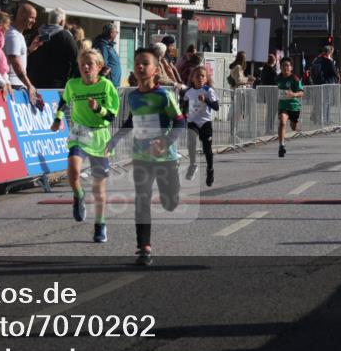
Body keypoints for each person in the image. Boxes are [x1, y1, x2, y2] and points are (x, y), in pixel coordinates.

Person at [107, 48, 185, 266]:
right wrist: (114, 140)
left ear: (155, 70)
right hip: (141, 157)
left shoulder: (164, 96)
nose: (140, 67)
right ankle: (144, 248)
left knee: (169, 203)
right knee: (142, 200)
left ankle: (173, 190)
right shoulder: (132, 96)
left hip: (165, 158)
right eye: (137, 63)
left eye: (145, 64)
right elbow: (132, 121)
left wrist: (165, 141)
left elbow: (180, 122)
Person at [51, 49, 119, 242]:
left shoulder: (106, 87)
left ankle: (100, 225)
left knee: (99, 189)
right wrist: (57, 119)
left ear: (99, 67)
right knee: (73, 172)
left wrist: (98, 108)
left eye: (90, 64)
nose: (86, 67)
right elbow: (64, 102)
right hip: (79, 133)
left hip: (99, 135)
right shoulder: (73, 84)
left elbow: (112, 116)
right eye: (82, 65)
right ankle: (79, 195)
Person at [181, 65, 219, 185]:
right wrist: (183, 114)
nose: (200, 78)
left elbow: (216, 107)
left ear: (206, 78)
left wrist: (206, 100)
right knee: (191, 143)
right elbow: (184, 106)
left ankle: (210, 170)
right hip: (193, 121)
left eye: (203, 76)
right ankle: (193, 165)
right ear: (192, 79)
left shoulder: (208, 91)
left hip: (205, 122)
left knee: (207, 149)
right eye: (197, 76)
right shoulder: (189, 92)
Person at [27, 8, 80, 89]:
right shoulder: (66, 36)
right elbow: (76, 60)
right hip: (57, 85)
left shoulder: (36, 34)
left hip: (34, 82)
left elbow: (28, 57)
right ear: (62, 22)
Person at [5, 4, 41, 102]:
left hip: (16, 84)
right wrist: (29, 85)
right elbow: (15, 63)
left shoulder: (18, 34)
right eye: (32, 18)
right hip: (13, 85)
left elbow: (16, 58)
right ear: (22, 15)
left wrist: (30, 50)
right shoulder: (13, 36)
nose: (34, 21)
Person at [275, 58, 303, 158]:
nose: (285, 67)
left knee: (293, 127)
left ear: (291, 67)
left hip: (294, 106)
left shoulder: (295, 79)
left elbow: (302, 92)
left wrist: (293, 94)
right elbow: (273, 88)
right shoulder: (278, 78)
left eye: (287, 65)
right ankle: (281, 145)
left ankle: (294, 124)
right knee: (282, 122)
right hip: (283, 105)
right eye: (283, 65)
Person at [92, 23, 122, 88]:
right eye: (116, 32)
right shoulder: (103, 46)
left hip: (113, 83)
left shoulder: (108, 45)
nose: (117, 34)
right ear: (111, 33)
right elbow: (103, 64)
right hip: (109, 84)